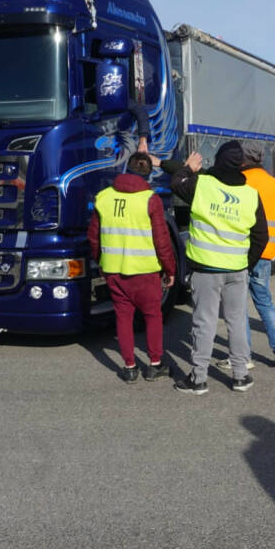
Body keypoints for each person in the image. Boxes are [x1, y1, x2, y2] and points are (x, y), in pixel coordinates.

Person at [165, 140, 268, 394]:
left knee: (204, 322)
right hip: (236, 270)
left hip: (205, 270)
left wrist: (188, 167)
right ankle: (241, 377)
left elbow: (176, 183)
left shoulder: (202, 185)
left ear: (218, 161)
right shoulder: (250, 194)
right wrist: (245, 264)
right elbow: (261, 236)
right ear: (241, 164)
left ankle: (198, 379)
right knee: (237, 322)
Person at [88, 152, 176, 383]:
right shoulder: (150, 199)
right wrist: (170, 269)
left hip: (114, 270)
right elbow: (162, 240)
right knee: (152, 316)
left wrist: (101, 263)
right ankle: (155, 364)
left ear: (126, 168)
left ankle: (129, 367)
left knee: (123, 317)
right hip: (145, 271)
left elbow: (94, 237)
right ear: (149, 172)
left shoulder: (104, 197)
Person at [224, 141, 275, 368]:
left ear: (242, 159)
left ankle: (245, 357)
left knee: (238, 306)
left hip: (241, 252)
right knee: (264, 302)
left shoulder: (240, 182)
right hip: (267, 252)